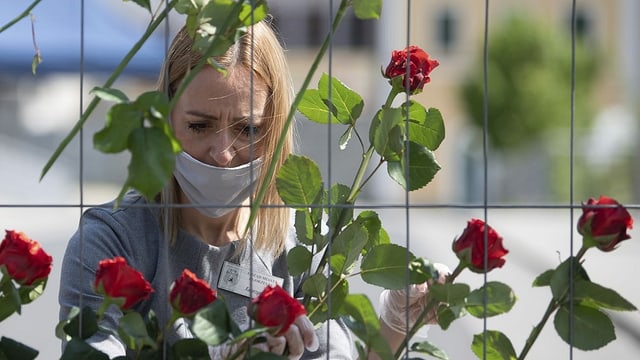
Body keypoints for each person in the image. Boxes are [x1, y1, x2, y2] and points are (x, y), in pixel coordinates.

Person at [58, 18, 444, 360]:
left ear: (274, 130)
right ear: (166, 118)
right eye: (199, 125)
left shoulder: (301, 246)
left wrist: (395, 327)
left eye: (248, 129)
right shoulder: (113, 242)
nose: (223, 154)